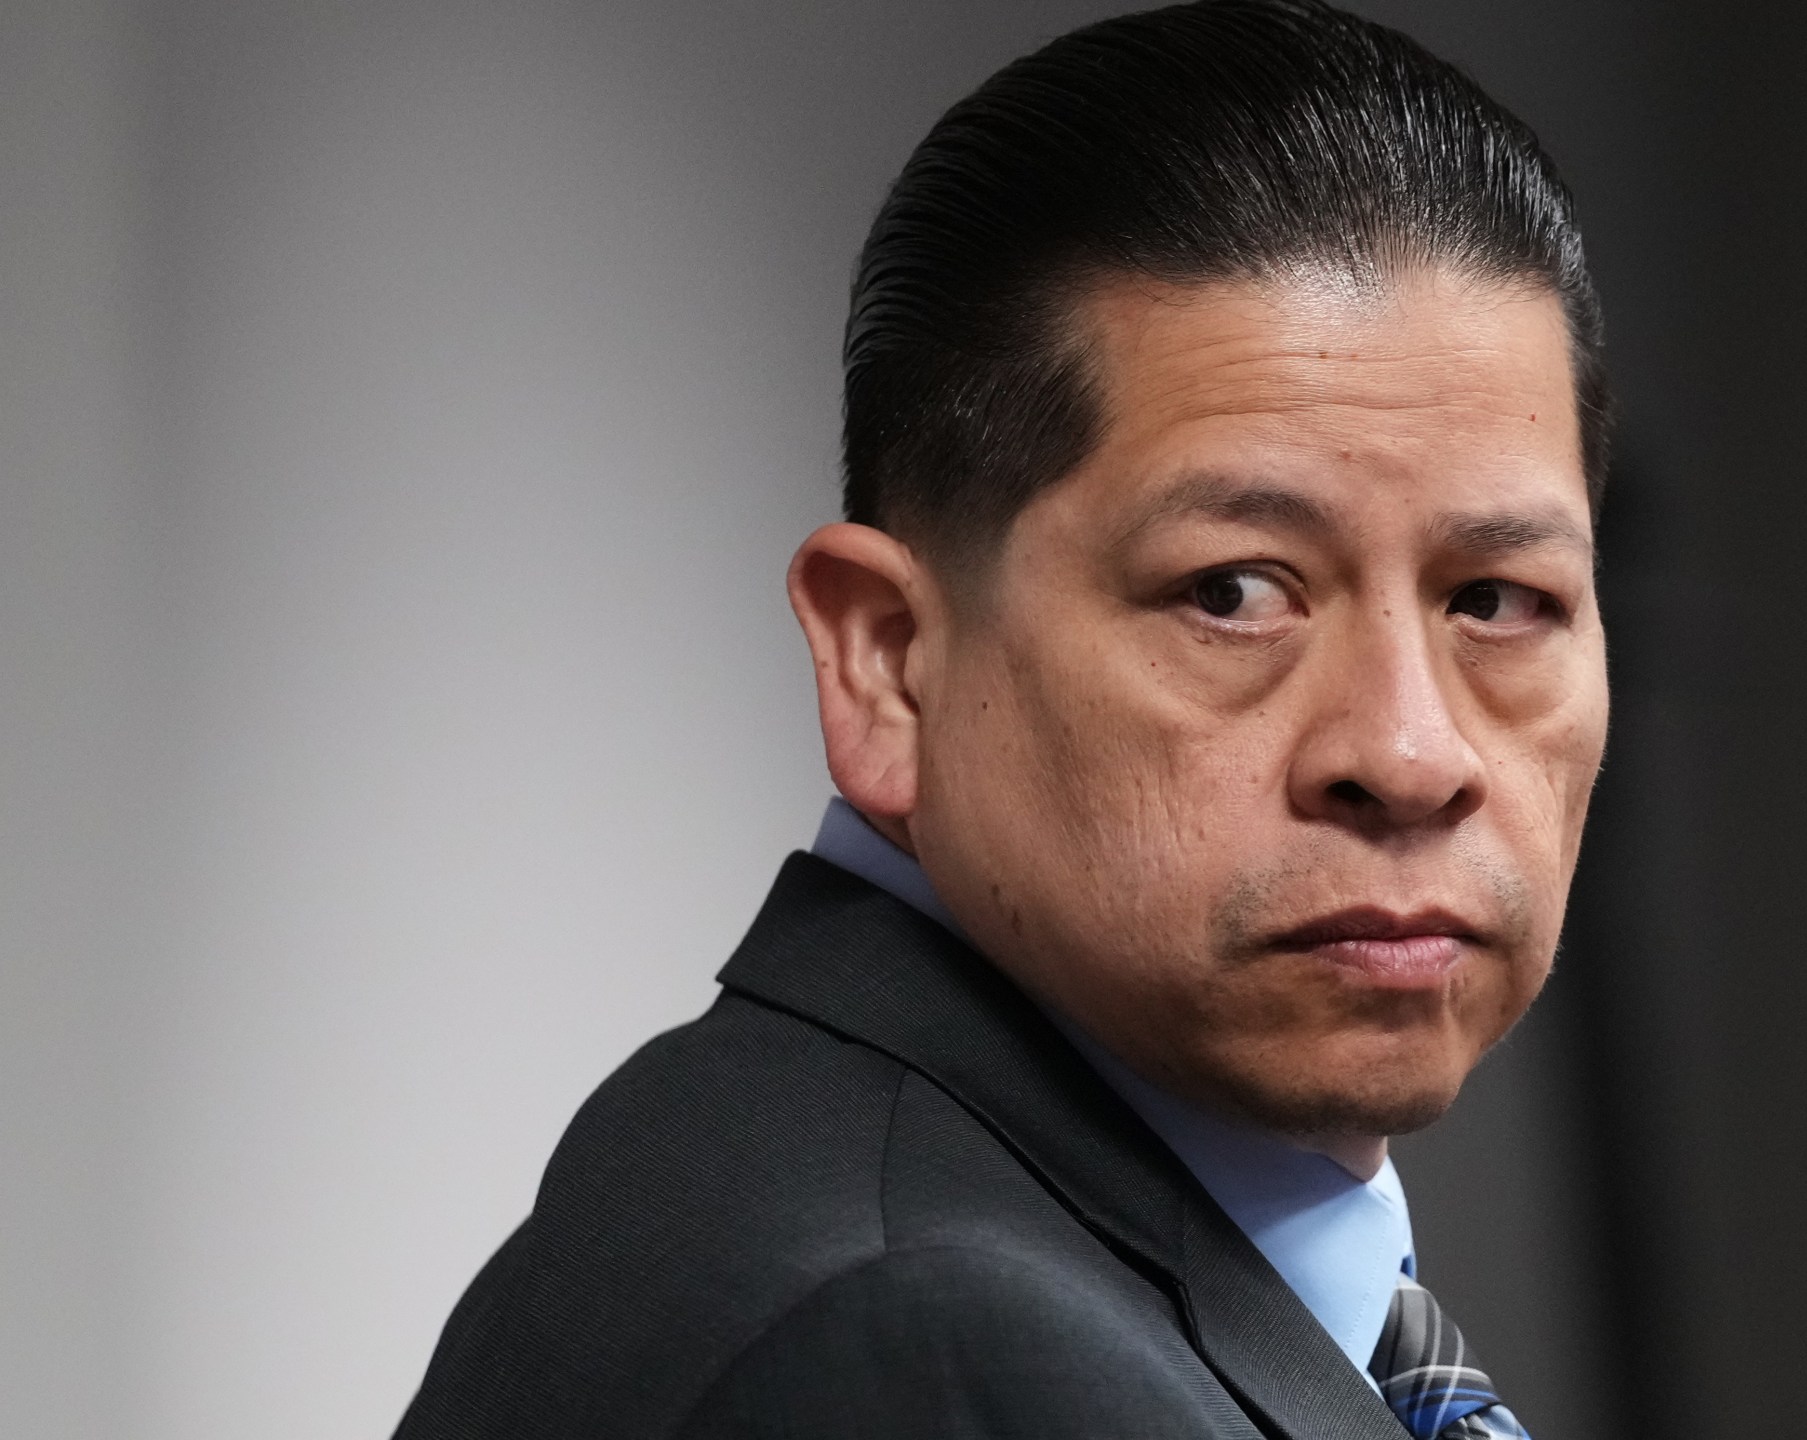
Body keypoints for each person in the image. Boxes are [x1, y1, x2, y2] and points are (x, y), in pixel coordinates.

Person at [394, 1, 1609, 1435]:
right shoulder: (936, 1359)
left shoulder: (806, 1165)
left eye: (1497, 600)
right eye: (1233, 591)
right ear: (890, 664)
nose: (1410, 756)